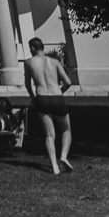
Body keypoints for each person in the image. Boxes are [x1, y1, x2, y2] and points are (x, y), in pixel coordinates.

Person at [23, 36, 75, 175]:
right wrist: (60, 92)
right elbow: (68, 82)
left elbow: (28, 84)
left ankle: (54, 166)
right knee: (66, 130)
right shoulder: (55, 62)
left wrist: (33, 98)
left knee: (49, 135)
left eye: (30, 48)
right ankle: (63, 156)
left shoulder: (28, 62)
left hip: (41, 98)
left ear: (33, 48)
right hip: (56, 97)